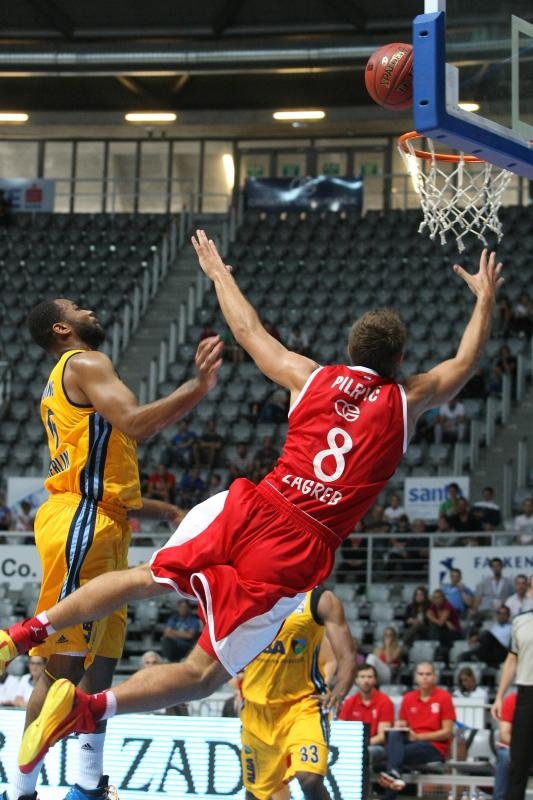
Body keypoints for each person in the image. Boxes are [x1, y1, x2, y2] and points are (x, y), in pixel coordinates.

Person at [0, 241, 503, 774]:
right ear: (400, 361)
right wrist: (485, 298)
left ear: (350, 350)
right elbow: (466, 361)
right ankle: (88, 708)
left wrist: (219, 273)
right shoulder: (407, 397)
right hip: (296, 545)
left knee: (146, 577)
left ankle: (21, 634)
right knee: (202, 674)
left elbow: (248, 332)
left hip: (251, 503)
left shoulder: (308, 375)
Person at [0, 297, 222, 800]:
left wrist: (163, 512)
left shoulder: (68, 376)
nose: (89, 312)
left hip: (103, 519)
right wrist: (196, 387)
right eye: (77, 309)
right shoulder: (85, 361)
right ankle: (20, 790)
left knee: (100, 667)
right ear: (62, 328)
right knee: (64, 666)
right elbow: (138, 422)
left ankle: (85, 785)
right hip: (82, 519)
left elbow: (103, 477)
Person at [239, 586, 355, 800]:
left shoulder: (320, 599)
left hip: (303, 704)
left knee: (309, 778)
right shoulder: (248, 591)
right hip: (258, 710)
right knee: (257, 792)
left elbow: (348, 656)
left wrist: (338, 692)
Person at [379, 661, 456, 797]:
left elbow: (447, 732)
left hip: (434, 747)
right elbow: (402, 724)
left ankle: (392, 774)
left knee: (392, 756)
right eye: (421, 674)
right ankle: (394, 773)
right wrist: (401, 726)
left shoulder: (444, 697)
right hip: (411, 743)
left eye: (428, 674)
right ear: (415, 677)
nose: (424, 677)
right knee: (394, 735)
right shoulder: (408, 698)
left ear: (435, 677)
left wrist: (419, 737)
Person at [491, 576, 533, 800]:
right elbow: (511, 660)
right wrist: (500, 696)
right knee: (518, 760)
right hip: (526, 693)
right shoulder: (520, 621)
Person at [338, 663, 395, 768]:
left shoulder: (385, 701)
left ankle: (362, 783)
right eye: (362, 677)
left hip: (376, 746)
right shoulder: (349, 702)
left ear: (375, 680)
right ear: (356, 680)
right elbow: (340, 730)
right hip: (353, 746)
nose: (366, 681)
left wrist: (360, 746)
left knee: (363, 754)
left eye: (369, 677)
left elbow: (382, 737)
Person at [426, 588, 462, 661]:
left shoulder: (447, 605)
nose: (437, 600)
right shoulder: (433, 605)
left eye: (439, 597)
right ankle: (440, 654)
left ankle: (441, 655)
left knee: (443, 635)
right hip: (443, 630)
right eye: (435, 598)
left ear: (443, 598)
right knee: (436, 630)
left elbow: (441, 622)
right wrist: (440, 621)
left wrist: (437, 620)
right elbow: (428, 614)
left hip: (455, 631)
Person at [493, 691, 515, 800]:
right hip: (516, 747)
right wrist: (522, 746)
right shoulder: (513, 700)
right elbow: (504, 734)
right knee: (506, 755)